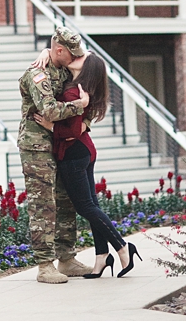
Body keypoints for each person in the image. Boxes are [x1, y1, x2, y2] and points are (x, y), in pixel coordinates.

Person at [33, 51, 140, 278]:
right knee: (92, 206)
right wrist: (45, 52)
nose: (76, 56)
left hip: (74, 154)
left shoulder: (74, 91)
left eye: (82, 56)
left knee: (86, 208)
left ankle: (122, 247)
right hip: (85, 151)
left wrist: (51, 127)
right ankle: (102, 255)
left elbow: (72, 130)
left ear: (86, 68)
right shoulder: (80, 88)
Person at [17, 25, 92, 284]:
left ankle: (67, 258)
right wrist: (79, 105)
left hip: (60, 143)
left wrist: (85, 121)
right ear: (59, 50)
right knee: (44, 206)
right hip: (36, 147)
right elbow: (48, 110)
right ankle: (45, 265)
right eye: (71, 54)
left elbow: (87, 64)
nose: (74, 59)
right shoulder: (37, 74)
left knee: (66, 199)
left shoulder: (61, 69)